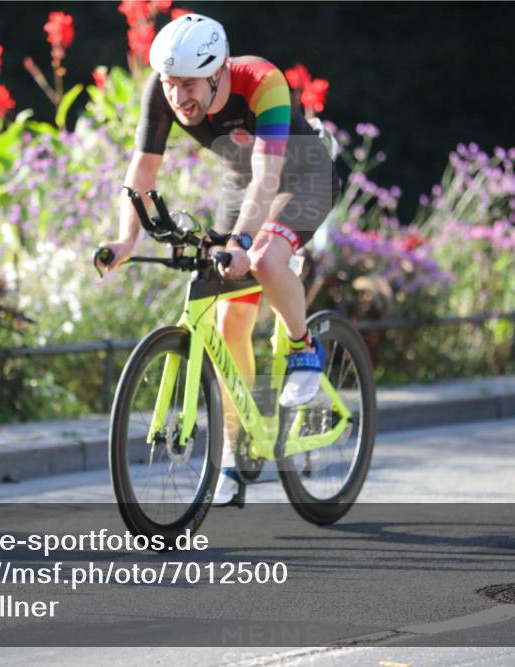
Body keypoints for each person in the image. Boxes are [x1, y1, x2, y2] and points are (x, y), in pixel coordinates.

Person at [98, 14, 339, 504]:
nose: (177, 97)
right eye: (169, 84)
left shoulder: (261, 83)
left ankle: (303, 346)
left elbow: (269, 178)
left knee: (268, 262)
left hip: (303, 177)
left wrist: (244, 244)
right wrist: (127, 240)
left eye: (188, 85)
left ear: (216, 74)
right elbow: (142, 170)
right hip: (243, 184)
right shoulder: (162, 90)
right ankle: (234, 452)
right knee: (230, 323)